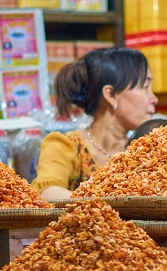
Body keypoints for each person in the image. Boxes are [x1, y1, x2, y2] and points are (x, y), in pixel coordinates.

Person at [32, 48, 158, 201]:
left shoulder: (144, 152)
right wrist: (106, 208)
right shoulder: (65, 146)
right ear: (111, 95)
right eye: (144, 87)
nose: (154, 99)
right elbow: (47, 192)